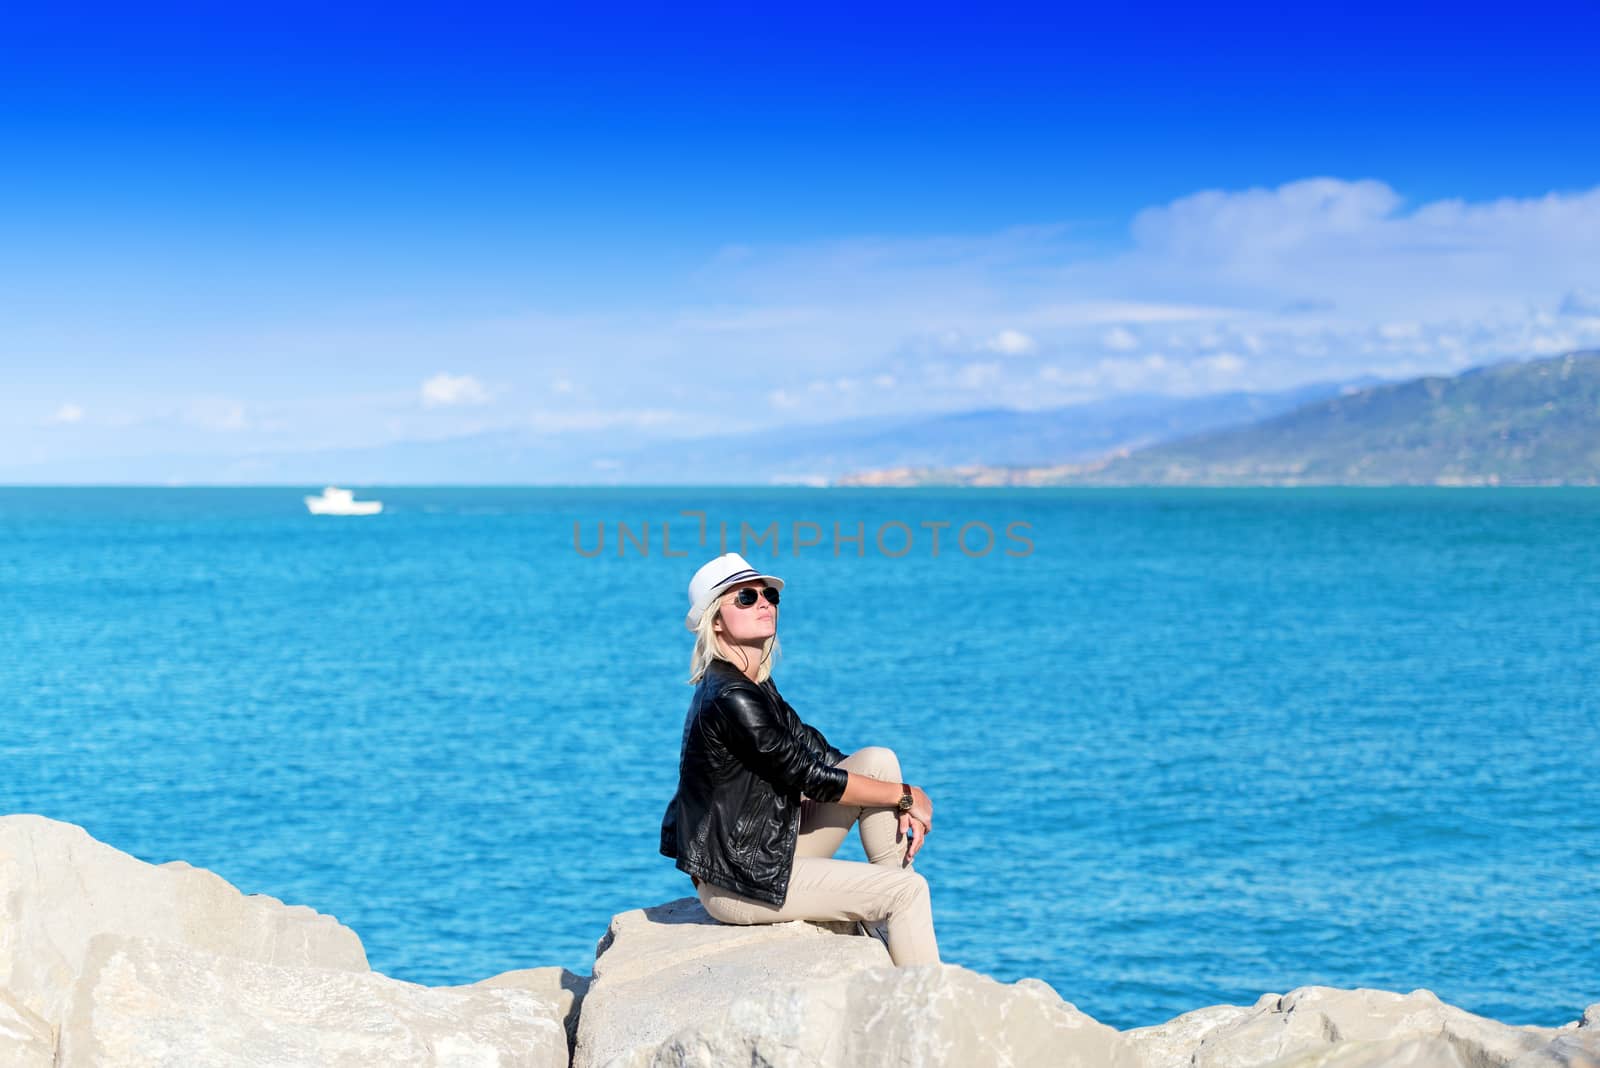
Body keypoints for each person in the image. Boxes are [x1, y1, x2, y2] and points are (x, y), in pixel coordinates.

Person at [659, 552, 941, 966]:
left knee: (877, 761)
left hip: (766, 851)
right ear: (715, 620)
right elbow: (810, 777)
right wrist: (904, 796)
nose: (763, 603)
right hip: (740, 882)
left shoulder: (756, 686)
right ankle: (926, 1011)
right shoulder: (731, 697)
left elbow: (819, 754)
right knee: (908, 892)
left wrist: (896, 792)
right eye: (745, 598)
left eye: (768, 595)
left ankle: (890, 916)